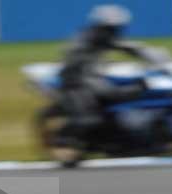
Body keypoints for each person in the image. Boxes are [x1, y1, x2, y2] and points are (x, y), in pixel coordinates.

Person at [57, 4, 153, 144]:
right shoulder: (90, 37)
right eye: (114, 28)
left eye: (119, 27)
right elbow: (121, 47)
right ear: (103, 26)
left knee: (121, 90)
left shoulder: (100, 37)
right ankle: (65, 137)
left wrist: (148, 54)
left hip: (91, 75)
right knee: (90, 118)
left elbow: (122, 48)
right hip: (75, 80)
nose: (117, 31)